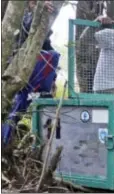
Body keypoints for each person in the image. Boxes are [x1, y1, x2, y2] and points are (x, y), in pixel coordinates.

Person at [2, 0, 60, 146]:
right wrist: (38, 10)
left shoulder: (45, 44)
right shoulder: (20, 18)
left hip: (34, 79)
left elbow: (48, 52)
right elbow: (26, 31)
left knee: (53, 55)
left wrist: (53, 80)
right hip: (20, 73)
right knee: (14, 110)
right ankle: (5, 141)